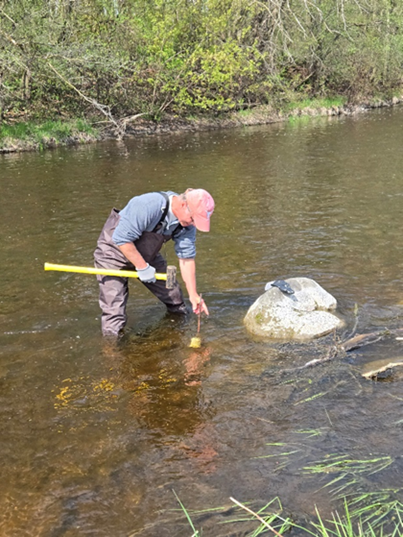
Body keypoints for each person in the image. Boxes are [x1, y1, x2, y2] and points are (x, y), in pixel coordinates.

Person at [94, 188, 215, 337]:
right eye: (193, 219)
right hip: (112, 254)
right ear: (184, 206)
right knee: (114, 314)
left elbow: (186, 258)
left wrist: (193, 294)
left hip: (147, 256)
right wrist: (142, 268)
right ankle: (113, 352)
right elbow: (122, 239)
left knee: (175, 298)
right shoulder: (148, 205)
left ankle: (176, 335)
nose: (194, 224)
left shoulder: (187, 225)